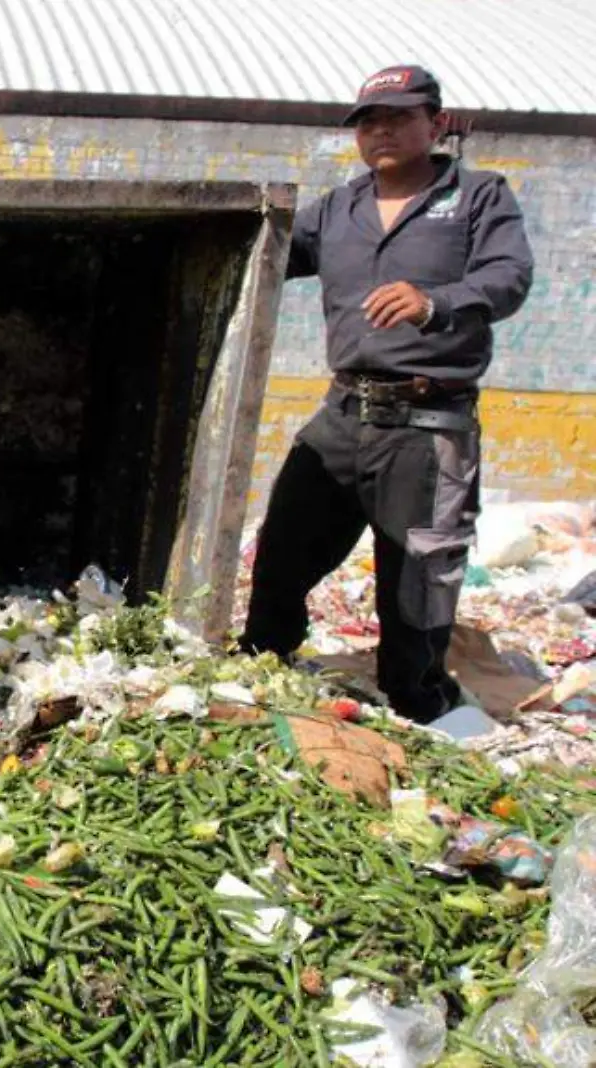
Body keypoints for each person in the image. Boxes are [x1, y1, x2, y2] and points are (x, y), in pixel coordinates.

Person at [240, 65, 533, 723]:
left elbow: (510, 277)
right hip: (343, 414)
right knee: (283, 545)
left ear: (435, 123)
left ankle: (417, 706)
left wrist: (436, 302)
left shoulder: (478, 196)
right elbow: (268, 253)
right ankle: (258, 669)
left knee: (416, 578)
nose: (381, 132)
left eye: (398, 117)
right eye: (369, 121)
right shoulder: (340, 208)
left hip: (429, 421)